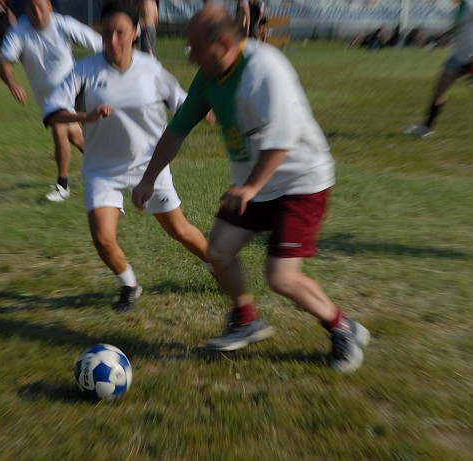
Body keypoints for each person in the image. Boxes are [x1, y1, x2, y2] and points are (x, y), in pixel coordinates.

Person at [132, 6, 370, 373]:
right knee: (219, 251)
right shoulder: (208, 77)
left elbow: (281, 142)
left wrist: (250, 187)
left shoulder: (263, 70)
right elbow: (176, 131)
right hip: (254, 184)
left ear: (225, 44)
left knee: (281, 277)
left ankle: (344, 327)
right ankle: (245, 319)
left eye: (196, 48)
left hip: (300, 181)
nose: (191, 57)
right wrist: (149, 177)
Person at [42, 0, 211, 312]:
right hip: (103, 169)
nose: (112, 41)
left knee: (180, 231)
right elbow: (52, 111)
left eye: (120, 32)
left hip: (150, 165)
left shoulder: (151, 69)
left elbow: (182, 101)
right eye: (107, 33)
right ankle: (130, 285)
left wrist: (209, 112)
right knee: (103, 239)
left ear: (136, 32)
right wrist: (84, 116)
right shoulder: (85, 69)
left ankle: (218, 264)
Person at [0, 0, 103, 202]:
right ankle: (109, 168)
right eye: (31, 8)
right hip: (46, 98)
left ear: (49, 7)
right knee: (76, 137)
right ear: (26, 10)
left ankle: (62, 186)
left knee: (60, 129)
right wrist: (12, 84)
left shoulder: (63, 24)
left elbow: (99, 43)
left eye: (40, 6)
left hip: (74, 89)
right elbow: (4, 62)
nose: (37, 13)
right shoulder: (19, 30)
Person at [403, 0, 473, 139]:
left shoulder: (471, 5)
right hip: (458, 57)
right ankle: (427, 127)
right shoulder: (461, 8)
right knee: (439, 90)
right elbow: (459, 28)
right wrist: (438, 37)